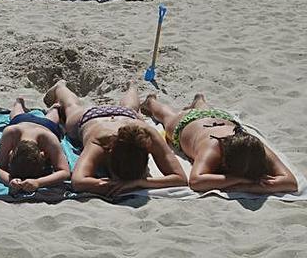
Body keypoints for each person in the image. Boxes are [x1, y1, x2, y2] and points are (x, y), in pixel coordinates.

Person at [44, 79, 187, 196]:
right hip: (96, 118)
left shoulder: (146, 136)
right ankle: (132, 86)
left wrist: (139, 182)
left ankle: (61, 87)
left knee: (73, 106)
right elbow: (78, 182)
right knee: (72, 107)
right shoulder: (101, 141)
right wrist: (138, 183)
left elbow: (181, 179)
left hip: (118, 117)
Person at [141, 93, 297, 193]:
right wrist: (241, 180)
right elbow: (196, 181)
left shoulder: (254, 147)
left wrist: (248, 186)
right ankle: (151, 101)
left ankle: (199, 101)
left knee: (204, 109)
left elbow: (291, 182)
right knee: (166, 116)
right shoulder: (213, 148)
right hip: (187, 123)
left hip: (220, 118)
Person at [0, 97, 71, 192]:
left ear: (44, 154)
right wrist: (10, 181)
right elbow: (64, 172)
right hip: (24, 122)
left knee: (18, 115)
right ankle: (20, 103)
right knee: (17, 115)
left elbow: (65, 173)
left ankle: (21, 103)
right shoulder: (11, 132)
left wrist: (38, 182)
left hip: (43, 125)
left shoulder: (49, 138)